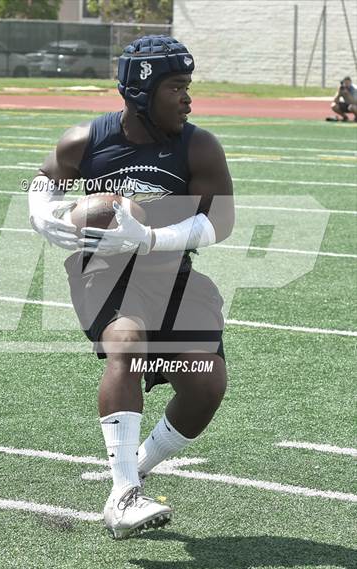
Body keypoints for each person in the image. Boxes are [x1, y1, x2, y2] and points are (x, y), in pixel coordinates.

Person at [28, 35, 234, 539]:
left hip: (171, 273)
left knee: (204, 386)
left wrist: (149, 237)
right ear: (141, 93)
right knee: (127, 342)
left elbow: (221, 221)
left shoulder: (198, 144)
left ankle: (132, 470)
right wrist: (41, 215)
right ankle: (123, 494)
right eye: (176, 88)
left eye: (188, 86)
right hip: (103, 272)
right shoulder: (86, 139)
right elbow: (46, 179)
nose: (188, 99)